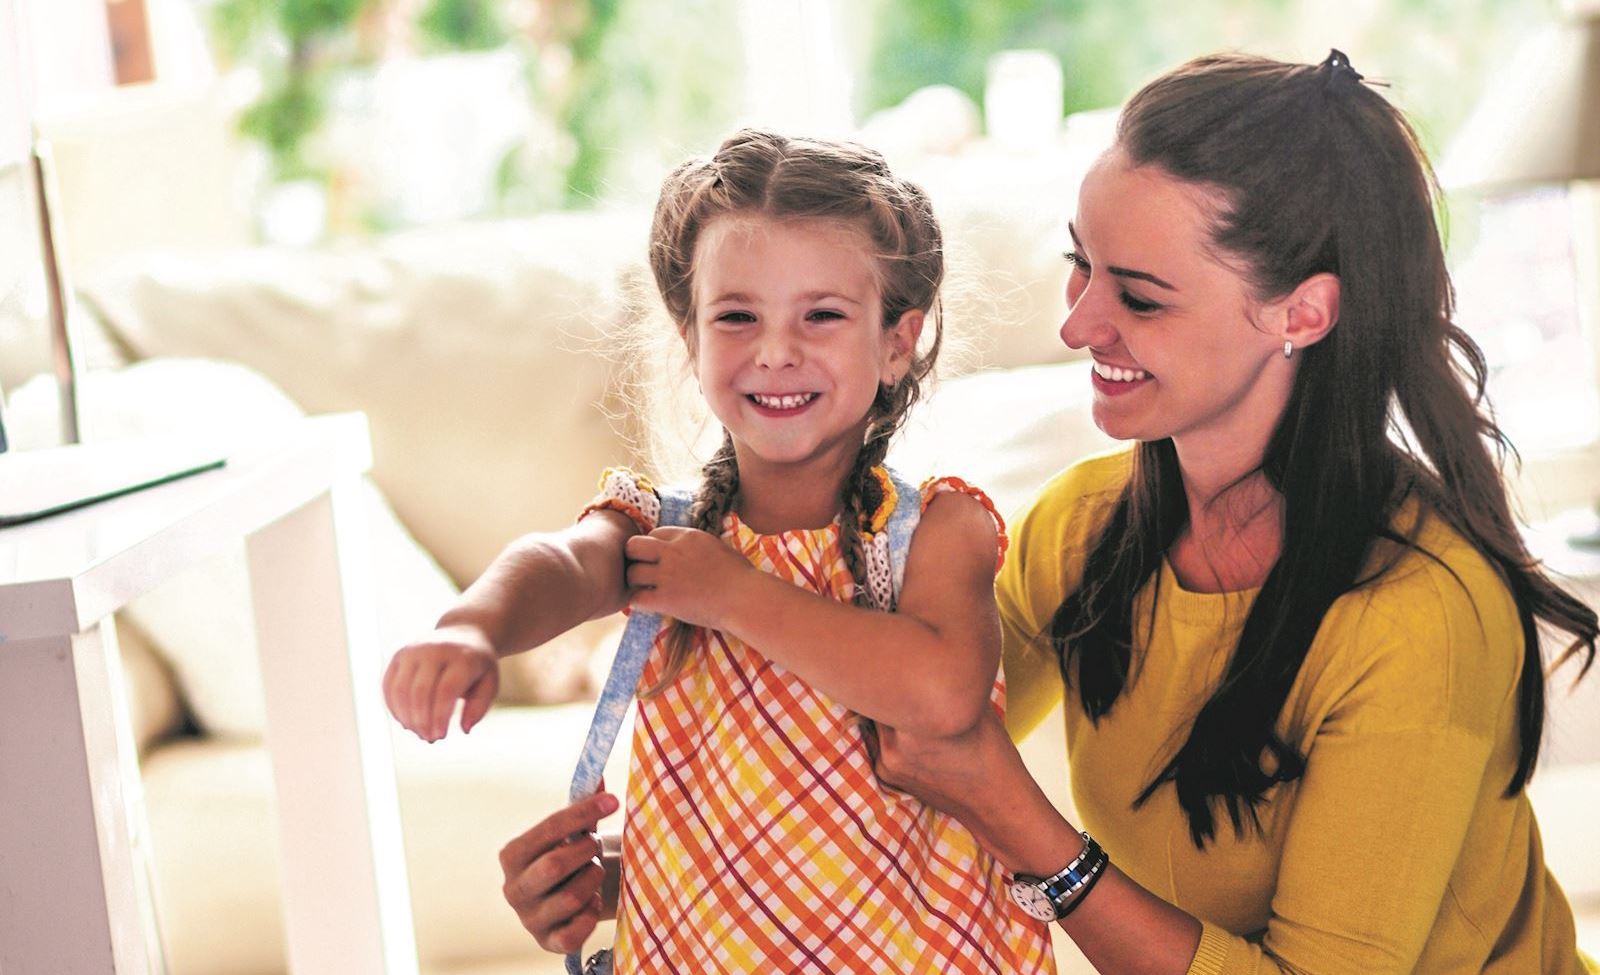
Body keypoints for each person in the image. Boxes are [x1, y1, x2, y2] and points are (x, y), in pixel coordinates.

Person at [869, 50, 1600, 975]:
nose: (1079, 324)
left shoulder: (1417, 619)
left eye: (1138, 294)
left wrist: (1019, 819)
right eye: (1079, 264)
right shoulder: (1087, 526)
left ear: (1302, 313)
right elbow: (895, 741)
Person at [384, 129, 1057, 973]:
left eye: (822, 314)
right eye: (737, 316)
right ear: (690, 337)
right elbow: (560, 563)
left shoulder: (935, 533)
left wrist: (735, 595)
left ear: (895, 341)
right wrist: (471, 626)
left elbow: (944, 692)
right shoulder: (661, 536)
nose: (776, 349)